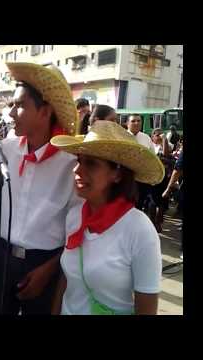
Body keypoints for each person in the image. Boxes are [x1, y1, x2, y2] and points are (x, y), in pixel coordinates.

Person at [0, 62, 80, 314]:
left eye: (19, 105)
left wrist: (51, 268)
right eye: (12, 105)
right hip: (1, 258)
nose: (11, 113)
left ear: (45, 111)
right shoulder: (5, 150)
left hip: (44, 264)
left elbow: (76, 232)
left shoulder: (72, 162)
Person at [50, 120, 164, 315]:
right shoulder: (75, 216)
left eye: (91, 164)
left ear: (117, 175)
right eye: (79, 160)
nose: (77, 170)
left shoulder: (139, 229)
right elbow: (68, 279)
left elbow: (147, 304)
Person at [126, 114, 155, 211]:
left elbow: (152, 157)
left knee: (138, 204)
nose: (136, 123)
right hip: (126, 177)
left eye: (139, 121)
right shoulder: (121, 137)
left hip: (142, 179)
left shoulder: (146, 138)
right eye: (133, 121)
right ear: (127, 123)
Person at [150, 128, 172, 233]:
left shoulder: (166, 144)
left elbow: (166, 154)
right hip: (152, 176)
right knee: (152, 201)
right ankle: (152, 222)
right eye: (157, 135)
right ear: (152, 136)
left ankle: (158, 222)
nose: (159, 136)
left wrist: (164, 140)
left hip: (164, 177)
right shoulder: (150, 146)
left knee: (162, 200)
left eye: (161, 134)